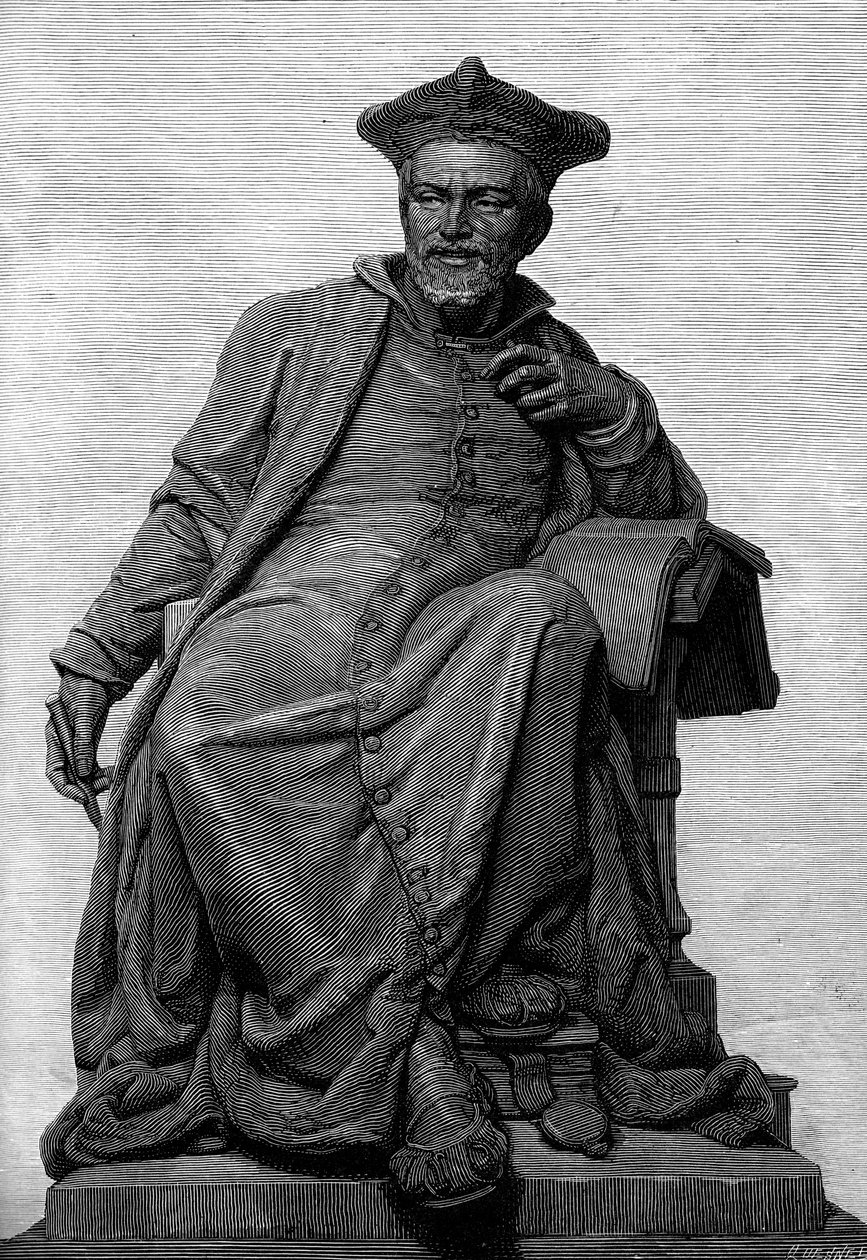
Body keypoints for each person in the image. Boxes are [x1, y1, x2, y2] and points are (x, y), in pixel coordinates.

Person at [42, 58, 773, 1208]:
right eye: (433, 195)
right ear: (402, 203)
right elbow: (198, 510)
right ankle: (406, 1052)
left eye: (486, 200)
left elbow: (656, 515)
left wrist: (610, 415)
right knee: (200, 717)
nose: (455, 223)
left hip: (457, 641)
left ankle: (416, 1026)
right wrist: (96, 659)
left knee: (541, 614)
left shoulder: (567, 365)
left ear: (531, 223)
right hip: (300, 614)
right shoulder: (296, 330)